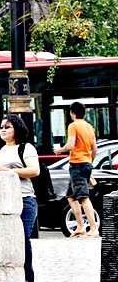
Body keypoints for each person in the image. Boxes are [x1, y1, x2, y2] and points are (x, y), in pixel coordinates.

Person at [0, 114, 40, 282]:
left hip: (25, 199)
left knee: (22, 237)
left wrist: (6, 170)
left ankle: (27, 278)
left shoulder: (26, 148)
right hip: (3, 200)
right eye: (1, 127)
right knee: (6, 239)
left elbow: (34, 171)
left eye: (7, 127)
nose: (3, 130)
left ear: (17, 129)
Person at [55, 101, 99, 237]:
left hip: (77, 164)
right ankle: (80, 226)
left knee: (83, 197)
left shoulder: (73, 126)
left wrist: (59, 150)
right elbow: (95, 148)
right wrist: (89, 161)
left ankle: (93, 229)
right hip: (85, 163)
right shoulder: (89, 126)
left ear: (72, 113)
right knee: (71, 196)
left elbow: (70, 145)